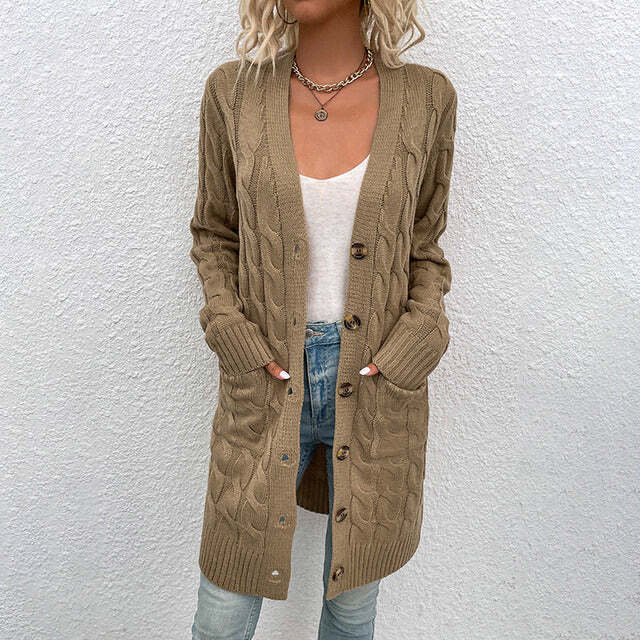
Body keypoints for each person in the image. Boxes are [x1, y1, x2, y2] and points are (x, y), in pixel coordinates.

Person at [188, 0, 458, 637]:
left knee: (351, 610)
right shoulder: (233, 93)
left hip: (376, 384)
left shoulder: (427, 98)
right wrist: (229, 330)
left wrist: (419, 339)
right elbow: (214, 233)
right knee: (223, 609)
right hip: (263, 379)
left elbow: (424, 245)